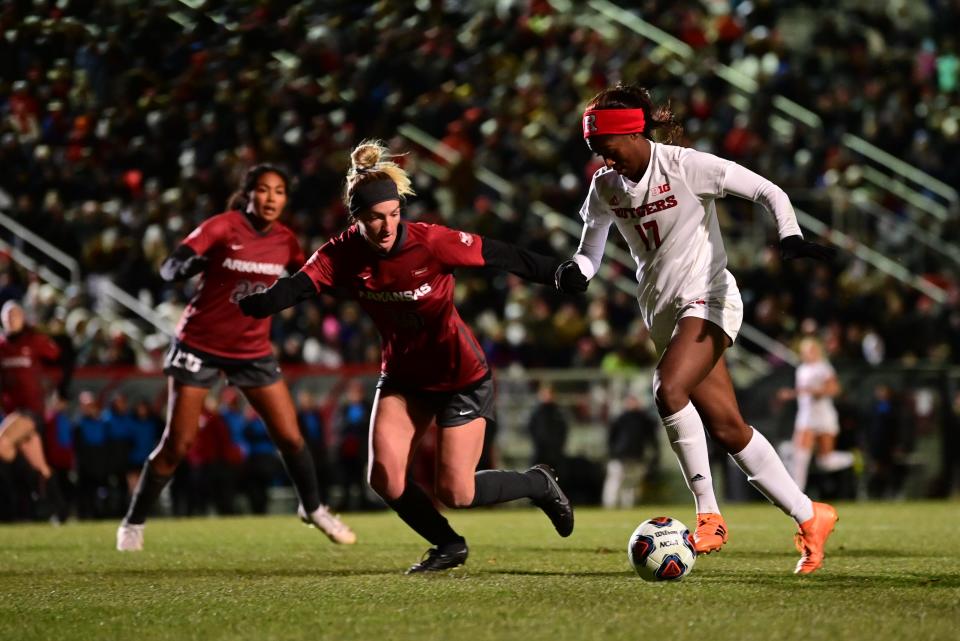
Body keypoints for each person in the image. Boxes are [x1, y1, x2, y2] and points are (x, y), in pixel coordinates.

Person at [240, 140, 587, 573]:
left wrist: (557, 274)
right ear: (356, 219)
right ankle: (447, 545)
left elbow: (499, 254)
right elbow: (299, 285)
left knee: (457, 492)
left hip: (461, 377)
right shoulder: (341, 253)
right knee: (383, 478)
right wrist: (260, 304)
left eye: (393, 214)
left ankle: (538, 483)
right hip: (404, 378)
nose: (387, 226)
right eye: (375, 218)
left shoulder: (432, 242)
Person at [557, 83, 838, 574]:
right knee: (731, 429)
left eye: (606, 148)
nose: (601, 159)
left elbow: (768, 190)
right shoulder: (604, 187)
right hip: (663, 313)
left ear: (633, 133)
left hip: (710, 297)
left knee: (668, 390)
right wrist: (578, 271)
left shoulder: (687, 167)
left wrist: (789, 236)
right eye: (594, 151)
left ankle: (709, 515)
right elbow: (590, 248)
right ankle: (811, 515)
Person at [116, 164, 355, 550]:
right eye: (263, 189)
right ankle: (133, 521)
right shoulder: (222, 226)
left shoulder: (285, 241)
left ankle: (313, 508)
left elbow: (312, 279)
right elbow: (171, 263)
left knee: (291, 437)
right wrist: (181, 266)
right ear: (248, 195)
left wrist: (358, 285)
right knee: (178, 444)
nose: (271, 198)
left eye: (279, 191)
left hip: (252, 351)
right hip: (199, 345)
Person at [0, 300, 70, 520]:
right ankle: (59, 509)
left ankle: (20, 502)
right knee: (39, 466)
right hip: (13, 412)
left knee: (2, 444)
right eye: (8, 316)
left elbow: (63, 359)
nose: (12, 320)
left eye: (15, 315)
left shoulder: (35, 341)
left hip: (31, 411)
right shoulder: (1, 347)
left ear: (23, 317)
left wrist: (61, 393)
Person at [778, 338, 853, 492]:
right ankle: (796, 496)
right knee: (800, 457)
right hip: (806, 416)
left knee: (825, 461)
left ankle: (853, 458)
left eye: (810, 350)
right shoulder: (802, 369)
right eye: (804, 351)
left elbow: (835, 390)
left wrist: (817, 391)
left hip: (824, 416)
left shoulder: (824, 368)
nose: (806, 353)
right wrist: (792, 394)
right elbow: (803, 393)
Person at [602, 394, 660, 509]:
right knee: (615, 480)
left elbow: (651, 438)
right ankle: (610, 504)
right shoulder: (620, 418)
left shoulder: (644, 419)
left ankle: (628, 505)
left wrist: (654, 454)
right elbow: (611, 438)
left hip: (636, 456)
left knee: (631, 483)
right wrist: (612, 452)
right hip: (619, 456)